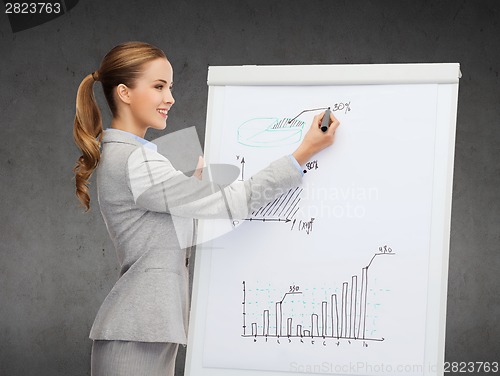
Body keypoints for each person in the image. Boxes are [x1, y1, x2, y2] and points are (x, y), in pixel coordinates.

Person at [72, 41, 339, 376]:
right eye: (158, 87)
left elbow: (182, 230)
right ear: (124, 93)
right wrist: (302, 154)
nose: (169, 98)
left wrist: (196, 190)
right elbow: (232, 203)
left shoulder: (137, 155)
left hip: (148, 330)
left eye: (169, 87)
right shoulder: (135, 161)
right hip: (137, 331)